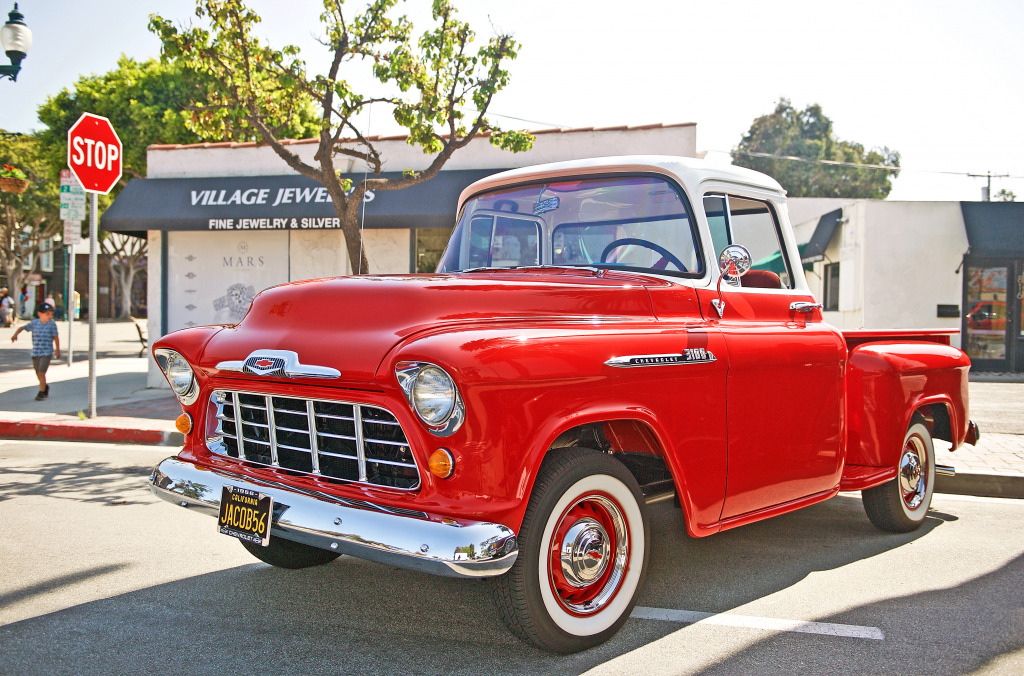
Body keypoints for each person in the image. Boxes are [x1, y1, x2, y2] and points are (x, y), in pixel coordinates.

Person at [11, 301, 61, 401]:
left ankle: (41, 392)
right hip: (36, 352)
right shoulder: (34, 323)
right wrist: (15, 335)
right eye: (47, 314)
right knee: (38, 373)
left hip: (46, 352)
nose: (50, 316)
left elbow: (56, 337)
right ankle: (44, 387)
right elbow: (22, 328)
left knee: (41, 372)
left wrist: (57, 350)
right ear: (39, 314)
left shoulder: (51, 324)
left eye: (51, 314)